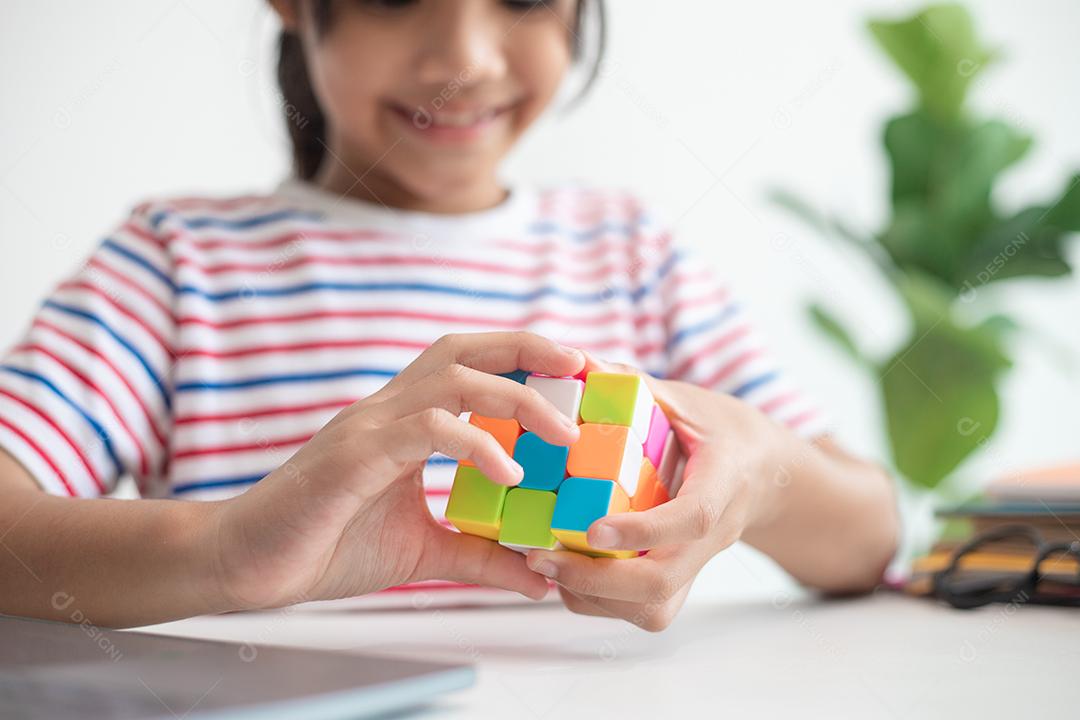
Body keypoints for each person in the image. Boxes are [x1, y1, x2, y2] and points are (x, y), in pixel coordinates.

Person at [0, 0, 897, 630]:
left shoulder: (632, 255)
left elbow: (869, 537)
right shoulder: (177, 260)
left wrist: (767, 473)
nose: (464, 57)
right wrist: (227, 551)